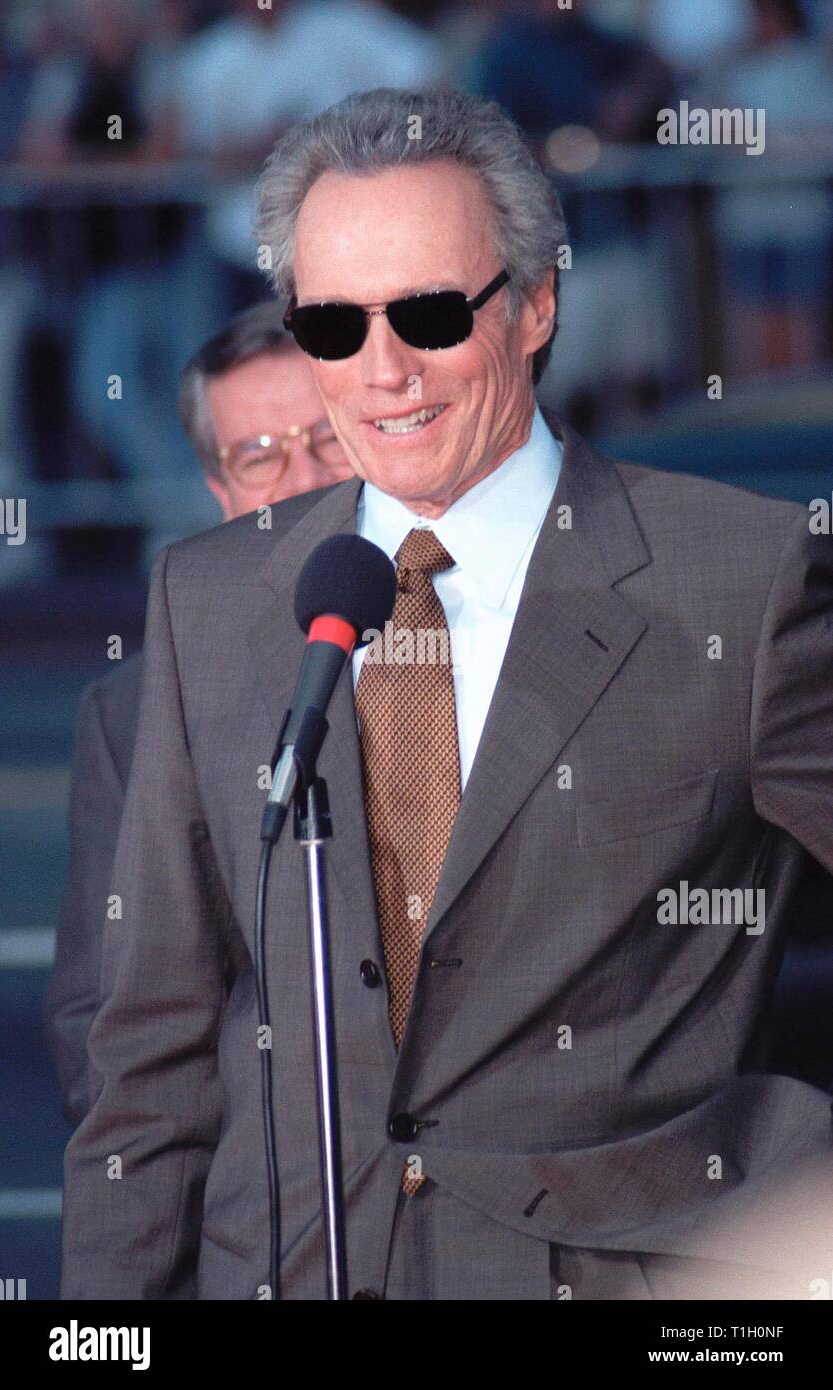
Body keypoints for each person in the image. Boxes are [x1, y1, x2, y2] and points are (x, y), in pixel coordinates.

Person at [61, 87, 833, 1301]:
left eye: (427, 312)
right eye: (331, 325)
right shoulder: (206, 601)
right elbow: (149, 1050)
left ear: (536, 305)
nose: (382, 372)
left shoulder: (739, 577)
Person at [44, 302, 353, 1129]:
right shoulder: (132, 710)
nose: (302, 479)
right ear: (220, 491)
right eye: (259, 457)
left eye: (326, 438)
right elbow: (104, 1022)